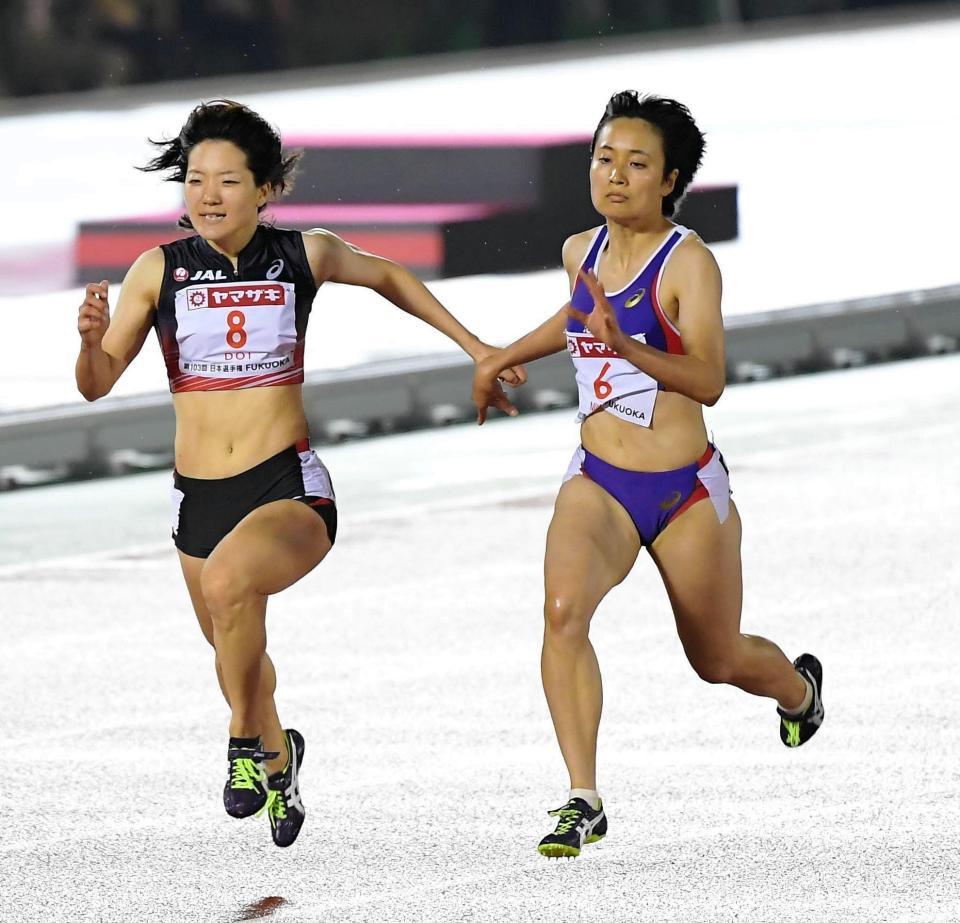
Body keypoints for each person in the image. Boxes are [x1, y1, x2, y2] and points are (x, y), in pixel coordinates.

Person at [75, 99, 523, 849]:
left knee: (229, 593)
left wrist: (476, 346)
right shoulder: (158, 270)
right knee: (239, 660)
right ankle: (281, 758)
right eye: (194, 180)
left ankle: (244, 748)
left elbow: (388, 277)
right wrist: (90, 343)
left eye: (226, 180)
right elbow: (96, 383)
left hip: (287, 488)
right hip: (200, 503)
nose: (207, 195)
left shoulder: (304, 255)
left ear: (266, 190)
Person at [472, 91, 824, 859]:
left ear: (669, 181)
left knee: (717, 658)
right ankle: (582, 796)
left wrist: (627, 347)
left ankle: (799, 691)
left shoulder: (689, 262)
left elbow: (707, 378)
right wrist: (503, 355)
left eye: (637, 164)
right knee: (562, 611)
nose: (616, 175)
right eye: (605, 159)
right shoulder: (579, 252)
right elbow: (575, 319)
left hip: (685, 490)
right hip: (599, 480)